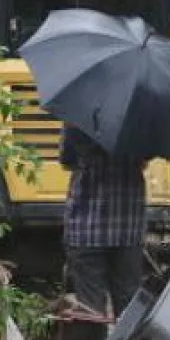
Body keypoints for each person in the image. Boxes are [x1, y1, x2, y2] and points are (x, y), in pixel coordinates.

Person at [60, 126, 147, 317]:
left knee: (90, 311)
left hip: (86, 226)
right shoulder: (141, 117)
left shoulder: (78, 113)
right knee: (128, 309)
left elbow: (67, 160)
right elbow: (145, 160)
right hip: (127, 226)